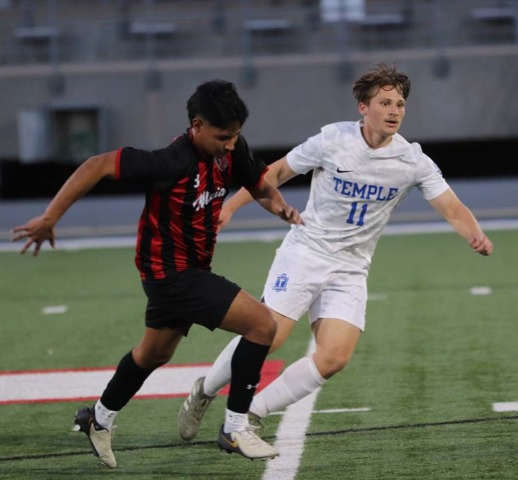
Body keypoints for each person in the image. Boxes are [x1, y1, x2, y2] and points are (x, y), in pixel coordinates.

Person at [176, 63, 493, 443]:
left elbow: (452, 207)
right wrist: (229, 207)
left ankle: (255, 412)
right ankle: (205, 390)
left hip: (351, 268)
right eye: (385, 103)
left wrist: (475, 234)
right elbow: (274, 174)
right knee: (269, 337)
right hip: (305, 253)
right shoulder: (332, 140)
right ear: (363, 107)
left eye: (400, 104)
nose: (394, 111)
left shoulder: (413, 161)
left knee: (334, 357)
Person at [10, 79, 304, 468]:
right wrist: (50, 217)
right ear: (197, 125)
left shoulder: (231, 149)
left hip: (187, 270)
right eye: (223, 137)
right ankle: (235, 427)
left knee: (154, 353)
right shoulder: (170, 161)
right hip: (171, 274)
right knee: (263, 326)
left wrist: (279, 205)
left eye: (235, 135)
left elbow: (260, 184)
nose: (231, 144)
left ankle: (98, 418)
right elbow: (96, 165)